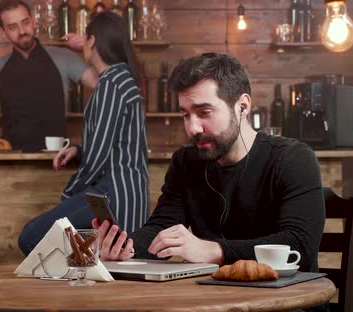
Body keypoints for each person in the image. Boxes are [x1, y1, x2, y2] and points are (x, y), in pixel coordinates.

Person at [95, 53, 325, 282]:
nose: (192, 128)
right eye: (186, 114)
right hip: (216, 298)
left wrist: (214, 251)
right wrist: (128, 247)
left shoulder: (293, 158)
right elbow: (162, 228)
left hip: (289, 301)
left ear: (242, 106)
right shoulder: (186, 161)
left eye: (204, 112)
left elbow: (298, 245)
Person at [17, 12, 149, 255]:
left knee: (30, 238)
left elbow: (99, 156)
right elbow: (114, 142)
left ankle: (75, 281)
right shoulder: (123, 79)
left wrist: (68, 193)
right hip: (126, 195)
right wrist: (78, 150)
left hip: (111, 194)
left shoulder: (111, 83)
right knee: (101, 260)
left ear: (92, 41)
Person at [0, 0, 98, 152]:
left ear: (33, 22)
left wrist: (89, 46)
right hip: (12, 160)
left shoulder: (63, 57)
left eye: (25, 23)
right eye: (13, 27)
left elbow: (101, 83)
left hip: (56, 158)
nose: (22, 31)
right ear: (3, 33)